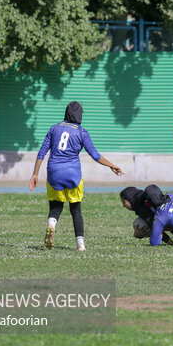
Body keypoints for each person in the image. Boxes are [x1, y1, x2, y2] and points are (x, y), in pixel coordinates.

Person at [29, 101, 124, 251]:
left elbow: (42, 152)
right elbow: (95, 155)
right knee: (76, 210)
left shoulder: (54, 128)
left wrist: (35, 174)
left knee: (55, 207)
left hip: (54, 172)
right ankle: (80, 244)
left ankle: (51, 225)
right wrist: (112, 165)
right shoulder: (82, 131)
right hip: (73, 173)